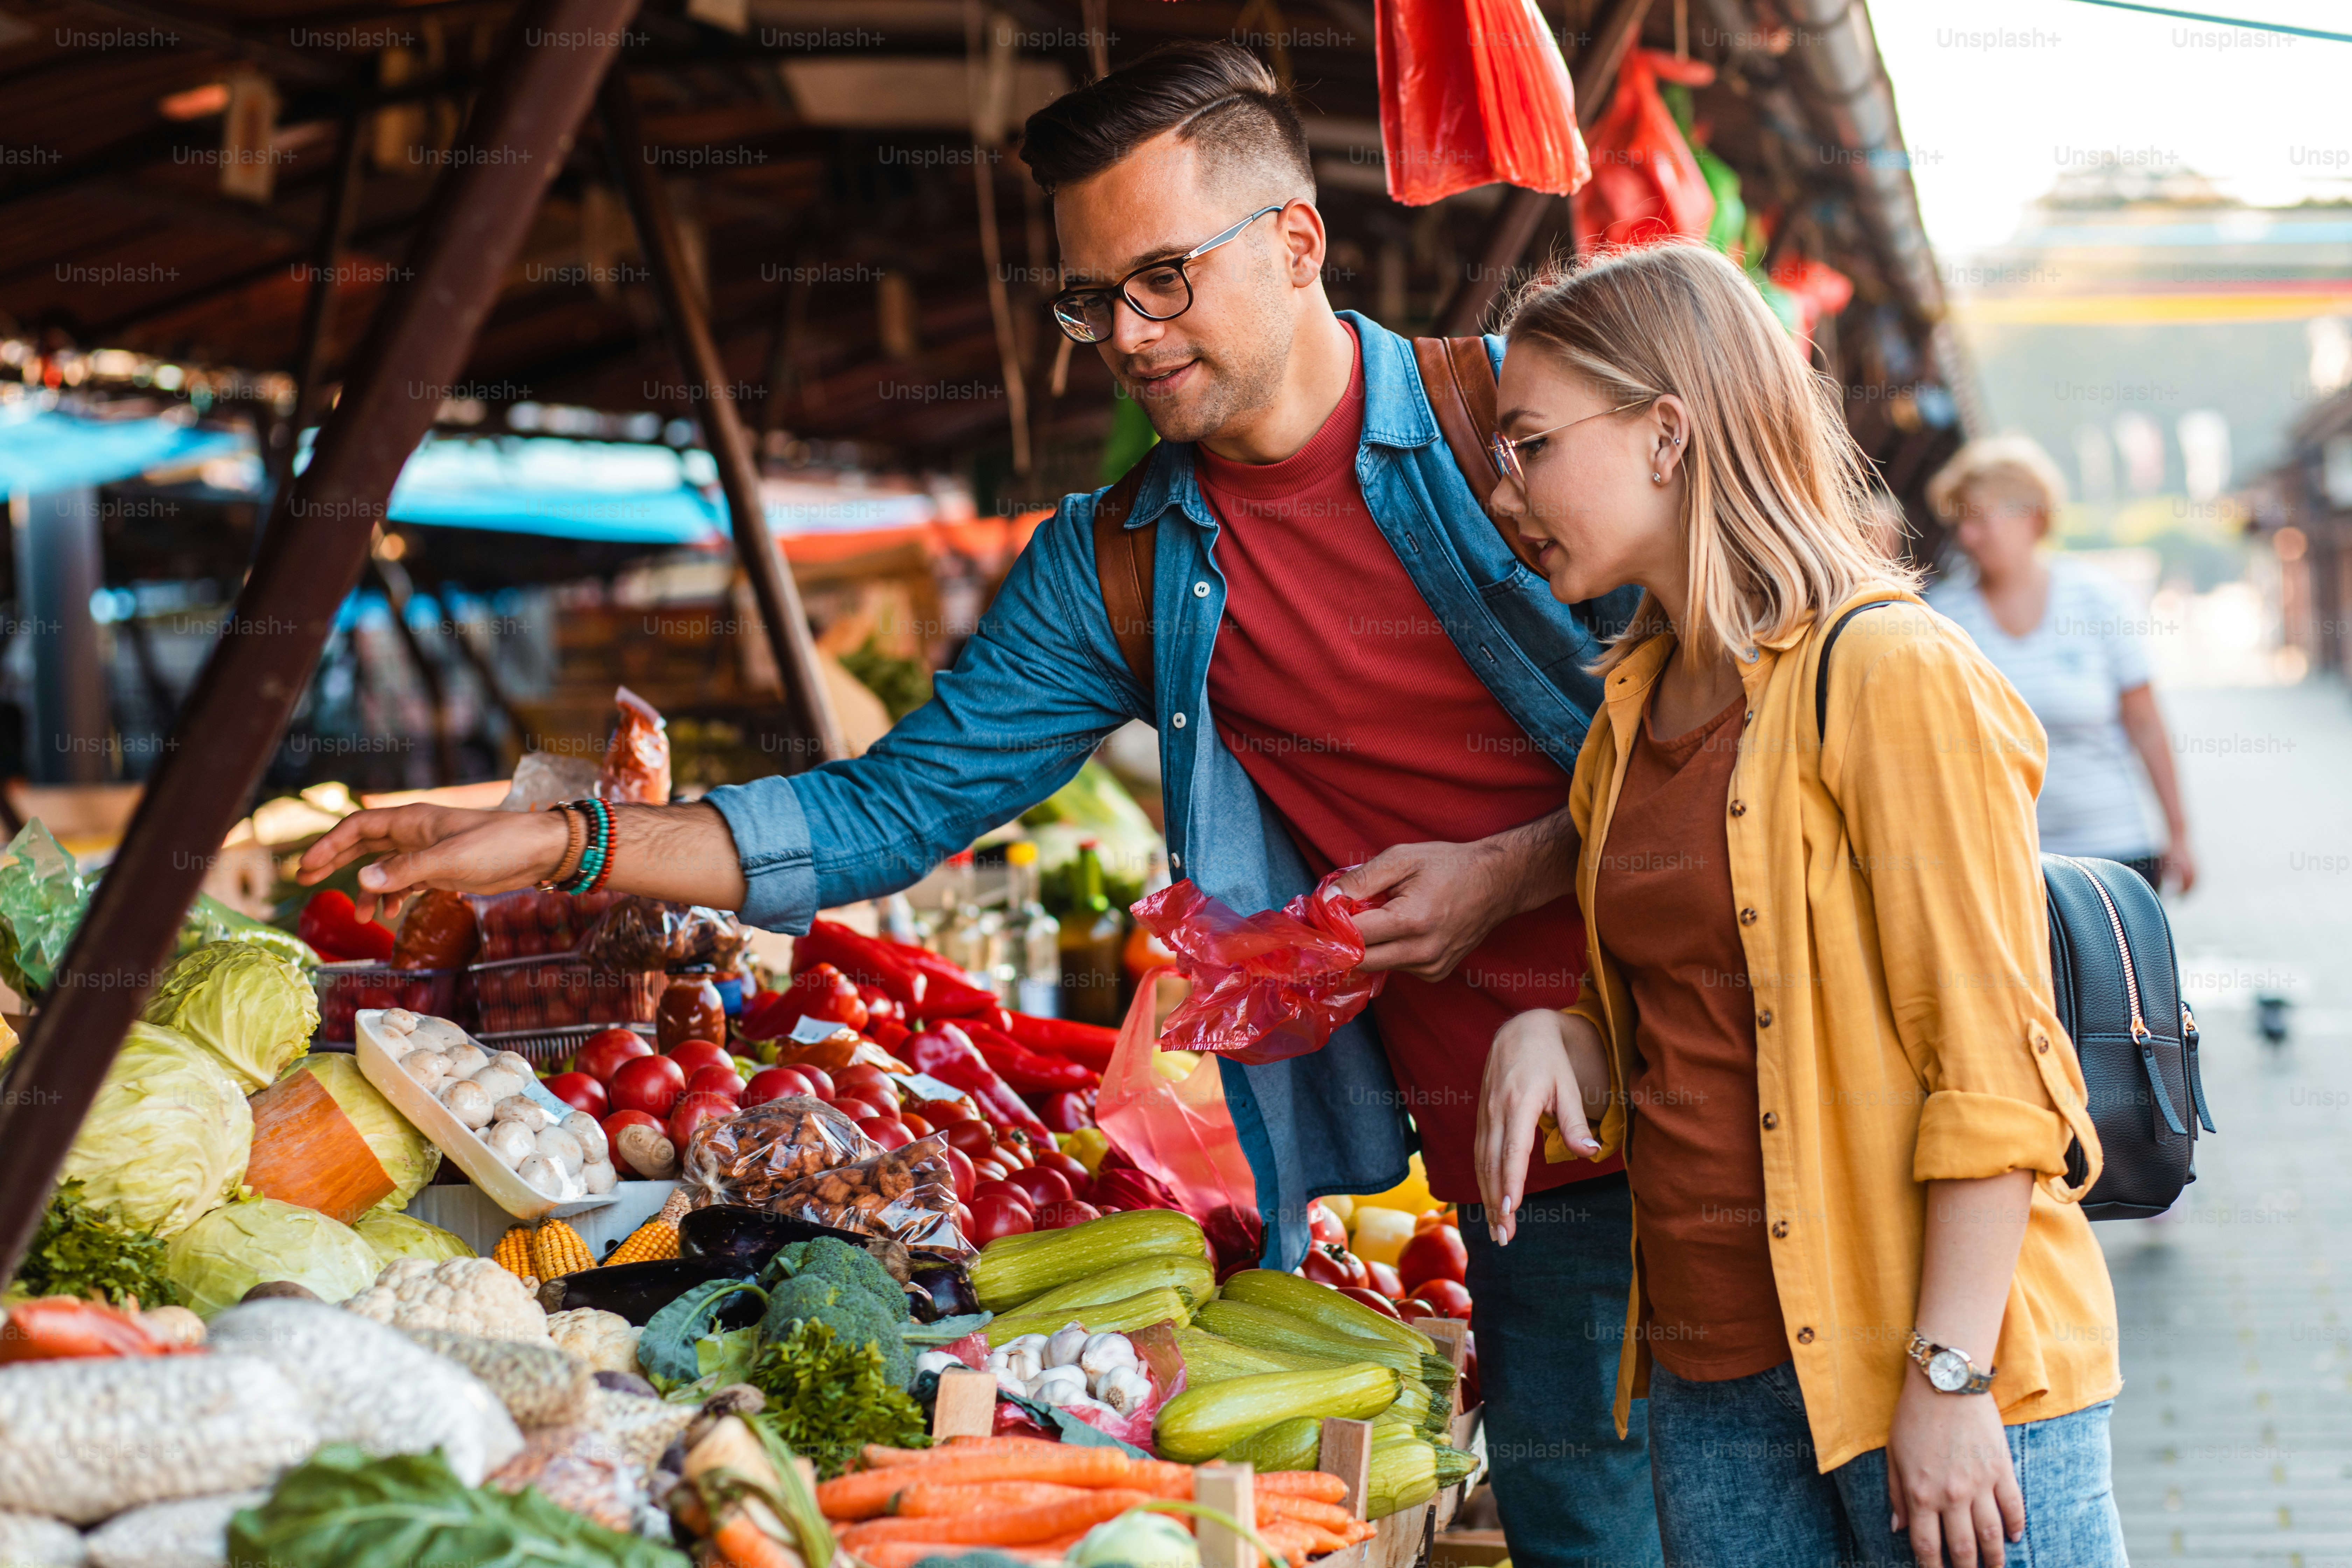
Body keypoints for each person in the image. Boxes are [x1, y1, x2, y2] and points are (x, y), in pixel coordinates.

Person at [300, 42, 1659, 1568]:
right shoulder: (1123, 565)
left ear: (1297, 243)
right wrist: (561, 835)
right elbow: (894, 808)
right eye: (1093, 300)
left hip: (1742, 1093)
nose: (1127, 339)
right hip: (1517, 1167)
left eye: (1163, 278)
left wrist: (1516, 867)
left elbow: (1771, 713)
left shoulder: (1523, 430)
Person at [1474, 243, 2126, 1568]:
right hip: (1711, 1384)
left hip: (1923, 1362)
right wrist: (1559, 1037)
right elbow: (1671, 1023)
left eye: (1530, 445)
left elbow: (1996, 1067)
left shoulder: (1887, 673)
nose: (1504, 494)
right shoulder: (1627, 716)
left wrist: (1948, 1381)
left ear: (1668, 433)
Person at [1925, 435, 2194, 895]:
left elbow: (2146, 723)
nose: (1967, 537)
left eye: (1980, 520)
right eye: (1960, 524)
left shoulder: (2097, 599)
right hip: (2005, 865)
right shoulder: (1945, 617)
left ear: (2032, 517)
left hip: (2115, 858)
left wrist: (2180, 834)